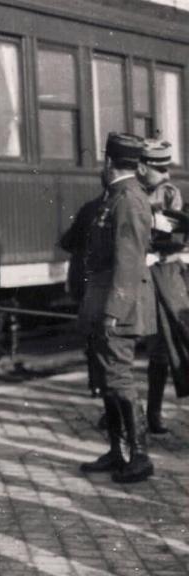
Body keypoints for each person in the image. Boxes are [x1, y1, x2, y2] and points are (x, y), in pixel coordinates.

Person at [78, 132, 155, 484]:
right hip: (104, 302)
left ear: (109, 163)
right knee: (109, 379)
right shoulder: (118, 197)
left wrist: (113, 311)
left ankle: (139, 456)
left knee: (120, 378)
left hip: (116, 306)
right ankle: (118, 450)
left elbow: (129, 261)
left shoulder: (127, 199)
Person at [139, 139, 187, 435]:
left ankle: (153, 413)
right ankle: (139, 412)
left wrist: (155, 252)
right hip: (141, 275)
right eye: (159, 169)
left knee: (172, 342)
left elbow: (177, 238)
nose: (165, 174)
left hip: (165, 276)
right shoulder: (135, 190)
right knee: (147, 347)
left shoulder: (169, 194)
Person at [60, 194, 106, 399]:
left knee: (92, 335)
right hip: (107, 282)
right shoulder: (128, 203)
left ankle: (96, 383)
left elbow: (67, 241)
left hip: (86, 280)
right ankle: (105, 383)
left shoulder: (89, 207)